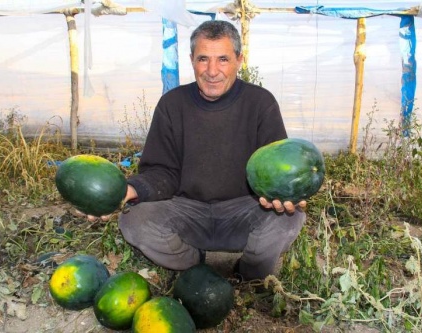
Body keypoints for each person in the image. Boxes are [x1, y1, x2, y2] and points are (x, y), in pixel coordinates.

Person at [79, 19, 307, 281]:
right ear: (191, 60)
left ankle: (247, 272)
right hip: (186, 211)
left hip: (244, 211)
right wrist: (128, 190)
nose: (212, 71)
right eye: (203, 59)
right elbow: (161, 171)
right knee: (134, 221)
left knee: (290, 218)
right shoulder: (172, 105)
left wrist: (282, 194)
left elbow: (276, 169)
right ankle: (194, 264)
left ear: (239, 60)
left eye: (222, 59)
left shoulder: (260, 103)